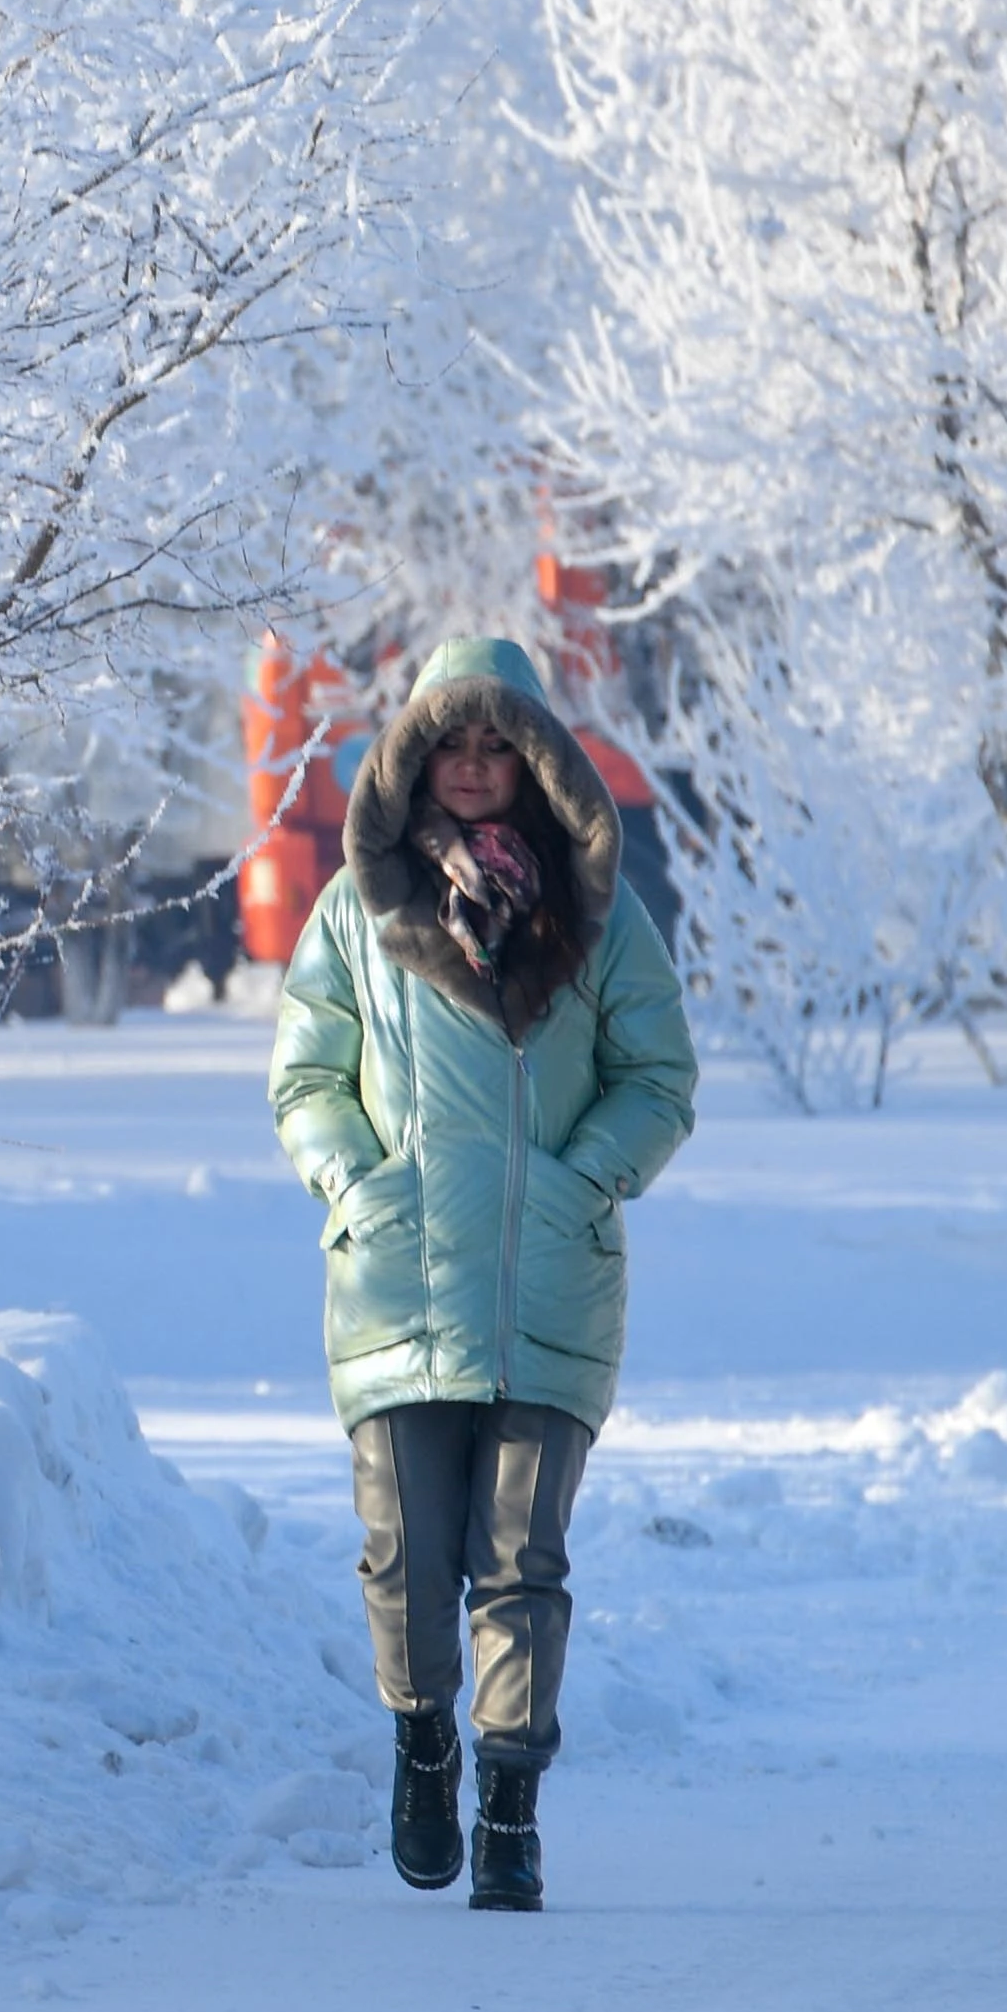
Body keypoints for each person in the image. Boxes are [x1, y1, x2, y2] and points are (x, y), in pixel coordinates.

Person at [265, 635, 695, 1911]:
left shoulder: (599, 915)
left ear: (534, 761)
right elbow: (302, 1079)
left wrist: (576, 1183)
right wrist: (360, 1181)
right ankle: (420, 1741)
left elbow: (657, 1081)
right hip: (397, 1282)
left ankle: (511, 1809)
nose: (467, 767)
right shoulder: (356, 913)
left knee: (519, 1562)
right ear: (409, 759)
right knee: (405, 1552)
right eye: (446, 744)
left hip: (546, 1284)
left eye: (492, 745)